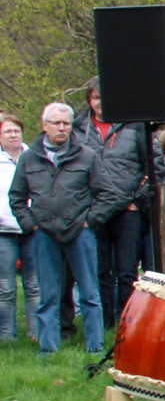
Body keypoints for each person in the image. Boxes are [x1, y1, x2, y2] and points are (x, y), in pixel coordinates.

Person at [11, 103, 108, 353]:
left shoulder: (87, 155)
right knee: (48, 296)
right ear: (45, 126)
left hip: (80, 232)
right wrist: (31, 225)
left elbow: (106, 194)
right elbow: (17, 197)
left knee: (89, 295)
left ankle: (95, 348)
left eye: (67, 123)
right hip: (44, 233)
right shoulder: (29, 157)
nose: (62, 127)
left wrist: (90, 220)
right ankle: (48, 349)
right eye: (57, 123)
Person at [73, 78, 152, 327]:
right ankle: (104, 322)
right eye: (96, 97)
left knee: (127, 271)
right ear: (89, 100)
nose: (101, 103)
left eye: (105, 97)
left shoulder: (135, 125)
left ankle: (127, 322)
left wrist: (136, 201)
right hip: (93, 210)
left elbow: (152, 167)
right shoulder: (77, 129)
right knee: (99, 271)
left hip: (128, 209)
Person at [1, 114, 41, 341]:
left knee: (34, 285)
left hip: (32, 229)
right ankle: (7, 336)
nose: (14, 135)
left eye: (17, 130)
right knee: (5, 288)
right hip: (4, 232)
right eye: (8, 131)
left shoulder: (34, 157)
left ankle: (36, 333)